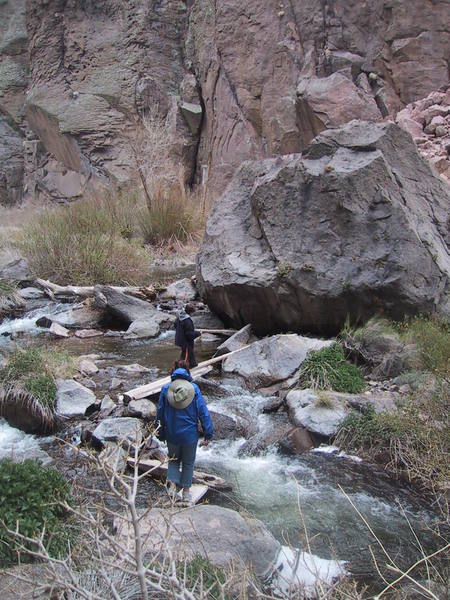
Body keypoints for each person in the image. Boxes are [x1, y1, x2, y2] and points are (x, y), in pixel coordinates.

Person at [154, 360, 213, 504]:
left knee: (173, 461)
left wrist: (160, 433)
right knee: (188, 463)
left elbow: (160, 413)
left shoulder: (166, 389)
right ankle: (186, 493)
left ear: (173, 372)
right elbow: (203, 413)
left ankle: (172, 491)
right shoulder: (194, 389)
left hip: (172, 434)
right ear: (188, 372)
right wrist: (208, 433)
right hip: (190, 436)